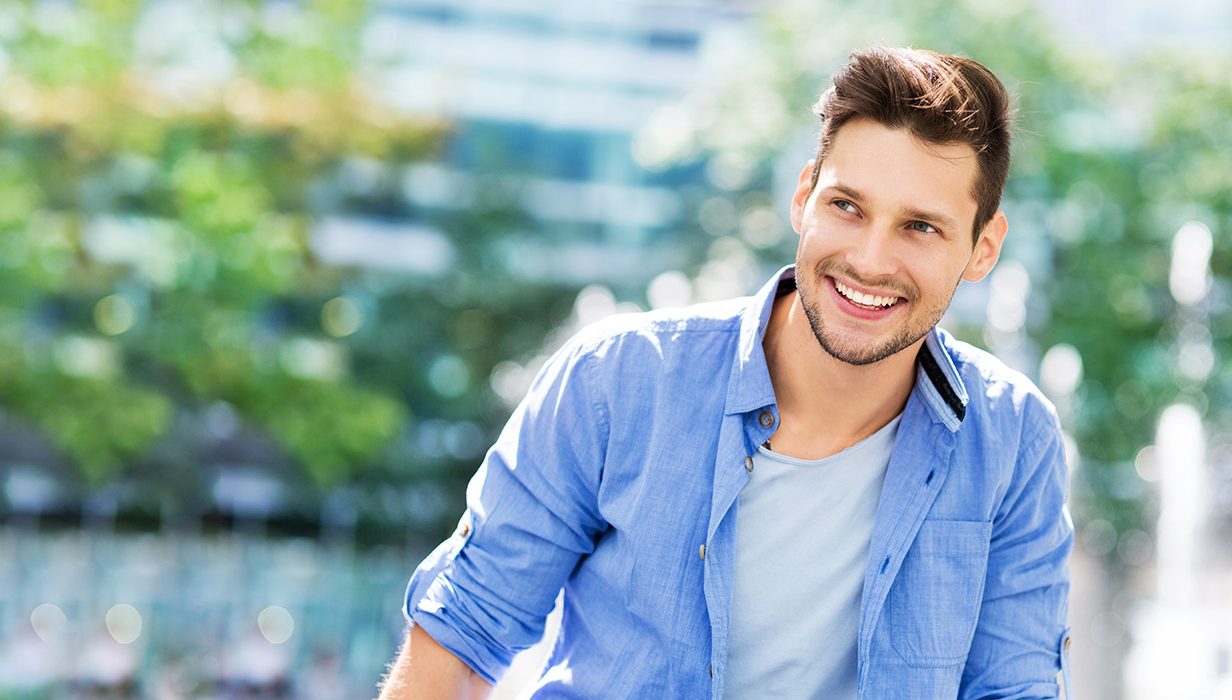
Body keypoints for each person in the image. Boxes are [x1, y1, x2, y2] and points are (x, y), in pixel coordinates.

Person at [379, 44, 1074, 700]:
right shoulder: (618, 380)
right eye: (846, 206)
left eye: (920, 227)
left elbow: (1012, 687)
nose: (869, 259)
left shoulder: (1013, 440)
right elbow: (459, 639)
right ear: (804, 197)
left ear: (983, 249)